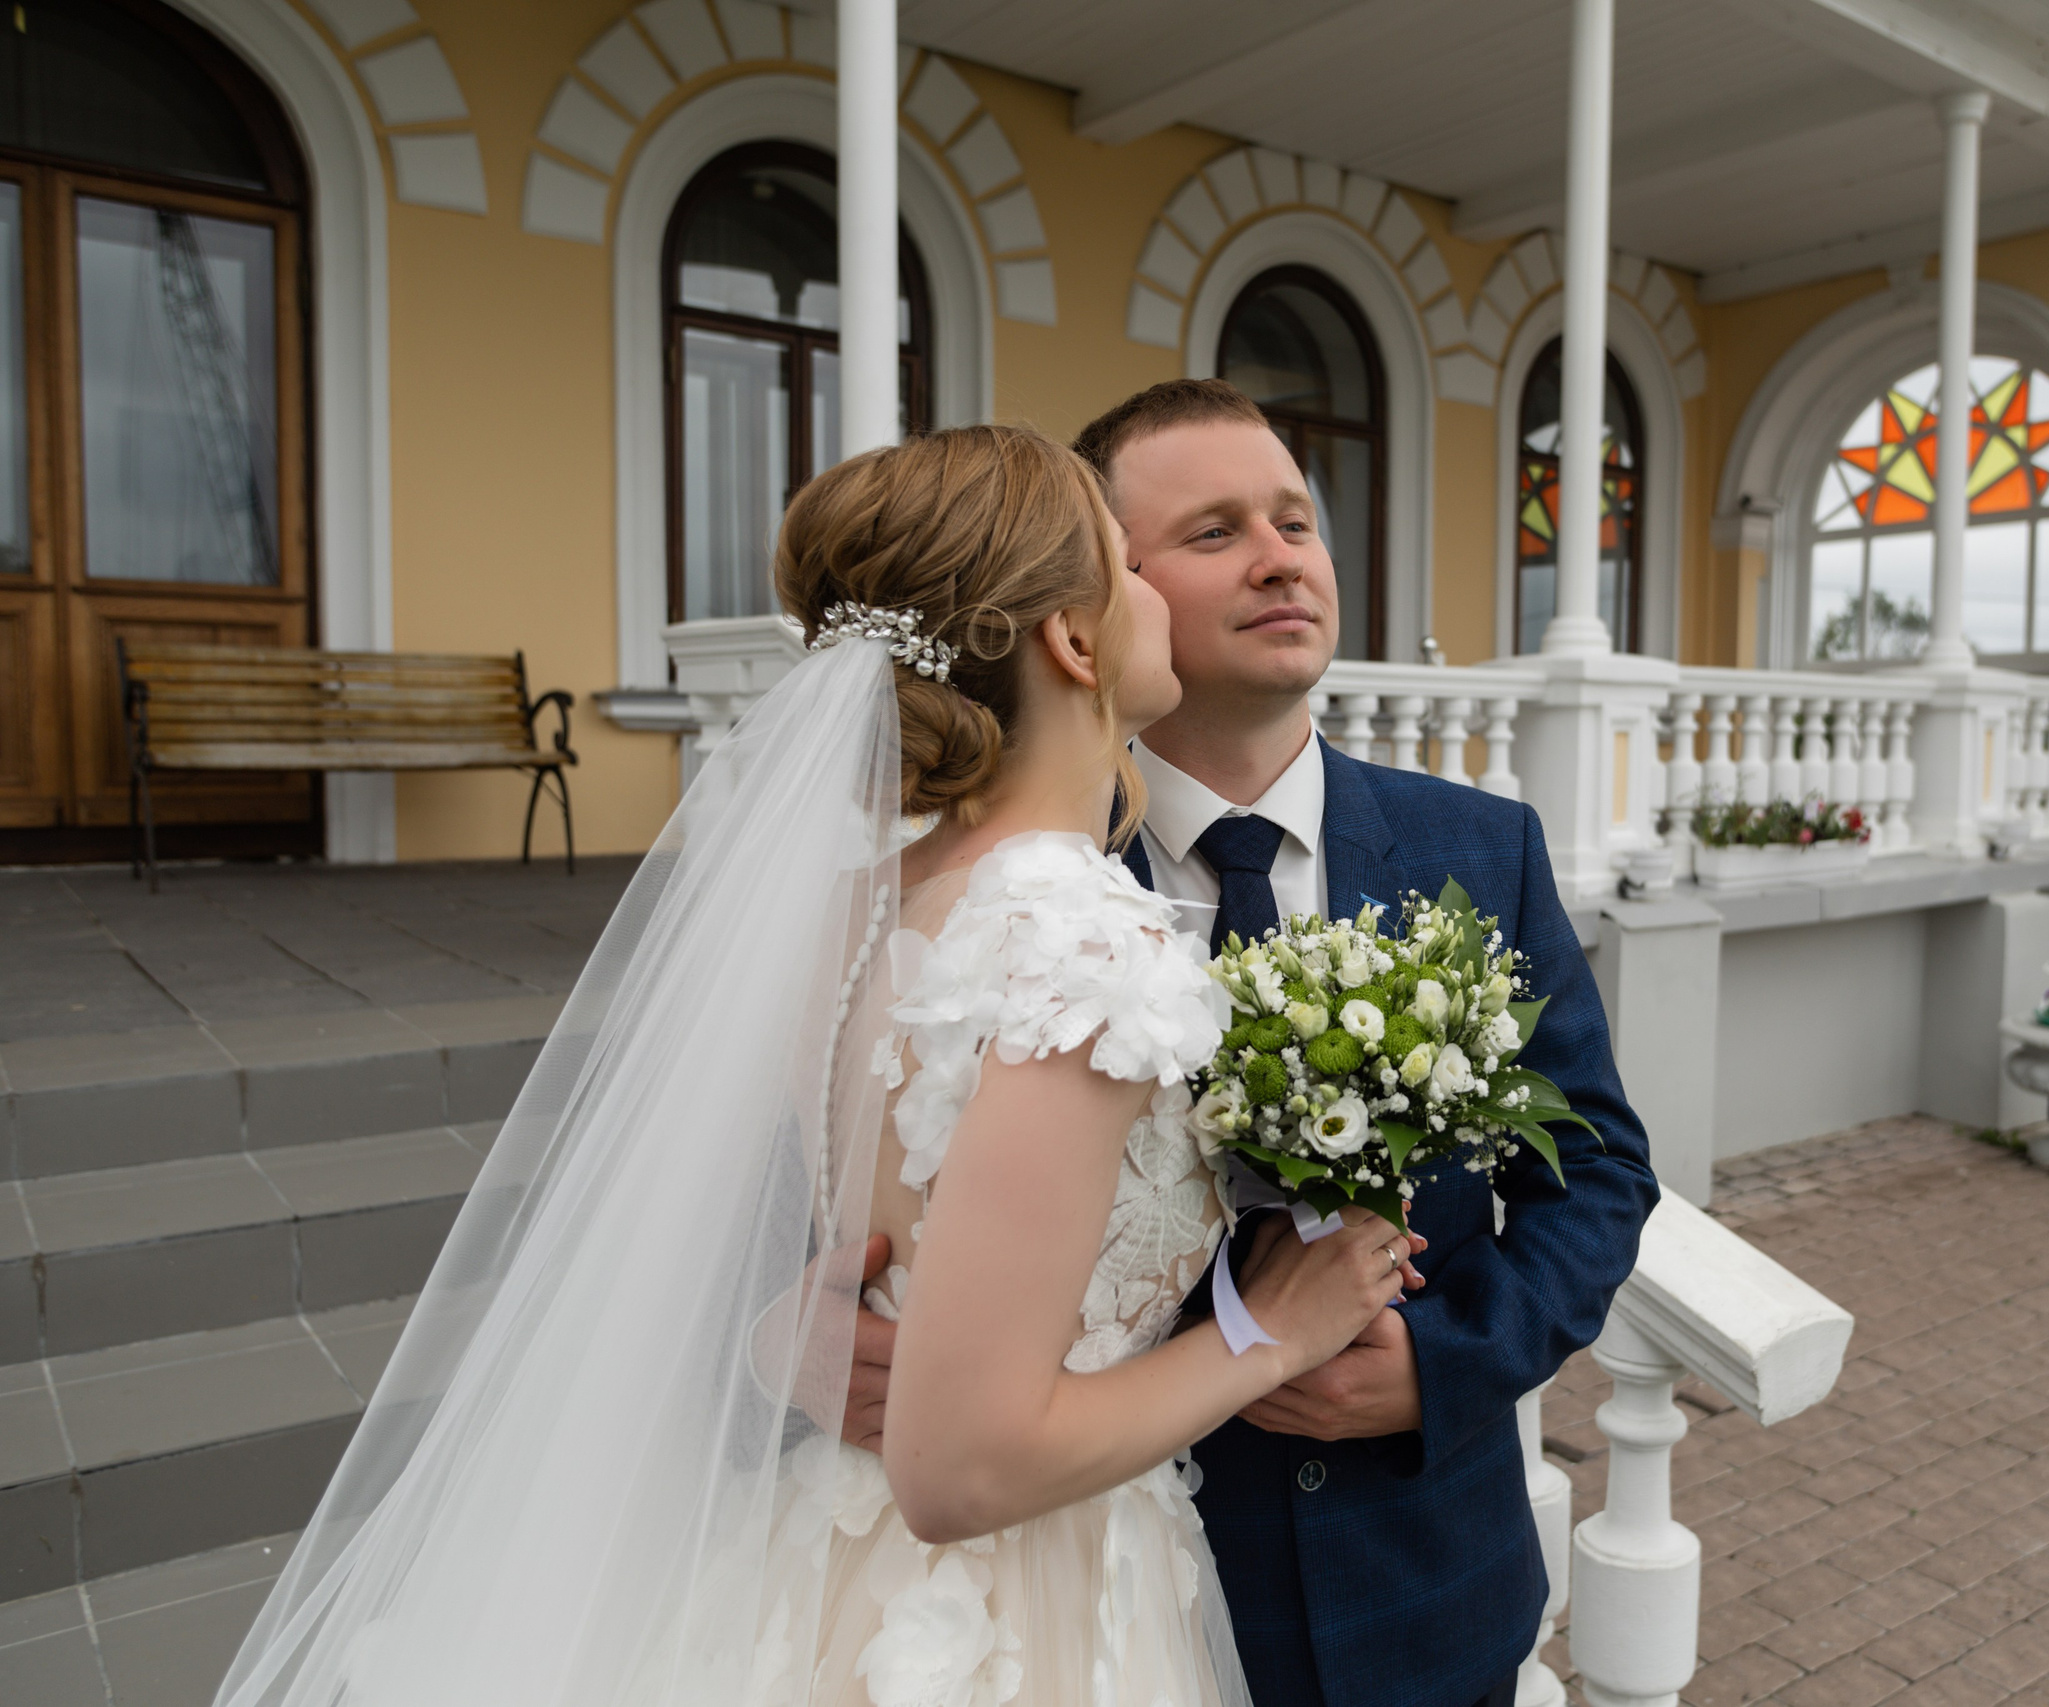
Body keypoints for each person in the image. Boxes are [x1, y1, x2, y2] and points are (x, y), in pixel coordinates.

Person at [211, 425, 1422, 1707]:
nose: (1150, 592)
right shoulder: (1080, 942)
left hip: (829, 1560)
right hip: (1016, 1612)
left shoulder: (853, 916)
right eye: (1125, 563)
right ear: (1072, 641)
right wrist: (1272, 1331)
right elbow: (958, 1471)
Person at [844, 381, 1658, 1707]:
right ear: (1108, 594)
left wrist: (1441, 1361)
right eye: (1216, 530)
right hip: (1119, 1590)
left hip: (1428, 1582)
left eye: (1297, 517)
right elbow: (809, 1200)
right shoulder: (1013, 897)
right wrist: (808, 1340)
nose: (1283, 553)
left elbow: (1602, 1173)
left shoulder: (1481, 846)